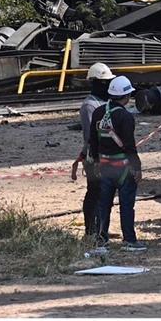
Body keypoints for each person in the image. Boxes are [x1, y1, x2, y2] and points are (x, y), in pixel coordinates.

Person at [90, 75, 146, 251]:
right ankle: (129, 240)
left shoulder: (98, 113)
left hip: (104, 166)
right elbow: (129, 146)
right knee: (127, 205)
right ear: (127, 96)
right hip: (123, 168)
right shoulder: (126, 117)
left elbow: (93, 141)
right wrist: (137, 168)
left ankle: (101, 239)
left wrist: (95, 162)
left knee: (103, 205)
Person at [70, 63, 113, 237]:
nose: (107, 85)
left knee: (105, 196)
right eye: (104, 82)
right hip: (95, 157)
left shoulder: (107, 102)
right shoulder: (89, 105)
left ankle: (101, 230)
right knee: (95, 194)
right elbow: (91, 136)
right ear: (95, 83)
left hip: (108, 155)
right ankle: (91, 231)